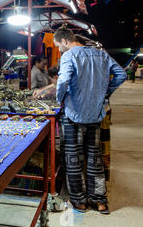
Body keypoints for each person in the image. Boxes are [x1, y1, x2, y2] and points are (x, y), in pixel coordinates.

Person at [53, 25, 126, 214]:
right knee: (95, 158)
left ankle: (80, 202)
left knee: (73, 159)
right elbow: (121, 74)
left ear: (64, 40)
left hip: (73, 115)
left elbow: (62, 81)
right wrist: (104, 93)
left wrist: (59, 98)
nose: (59, 50)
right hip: (95, 114)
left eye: (58, 46)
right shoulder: (101, 54)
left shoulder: (69, 56)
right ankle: (100, 201)